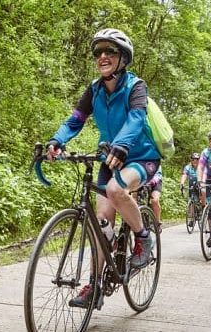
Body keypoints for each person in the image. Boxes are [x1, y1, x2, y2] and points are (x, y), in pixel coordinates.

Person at [45, 29, 160, 308]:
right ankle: (94, 285)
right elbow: (75, 120)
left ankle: (144, 238)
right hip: (109, 159)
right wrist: (56, 140)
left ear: (123, 58)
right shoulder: (94, 89)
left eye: (110, 51)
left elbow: (135, 119)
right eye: (98, 52)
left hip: (140, 156)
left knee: (115, 188)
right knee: (101, 225)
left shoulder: (136, 86)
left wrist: (121, 145)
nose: (103, 56)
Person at [180, 153, 200, 227]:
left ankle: (203, 211)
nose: (195, 161)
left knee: (201, 199)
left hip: (200, 186)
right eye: (193, 159)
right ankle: (192, 219)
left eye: (197, 159)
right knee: (191, 201)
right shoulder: (188, 167)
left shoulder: (202, 167)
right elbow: (184, 175)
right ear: (191, 160)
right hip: (192, 186)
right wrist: (182, 183)